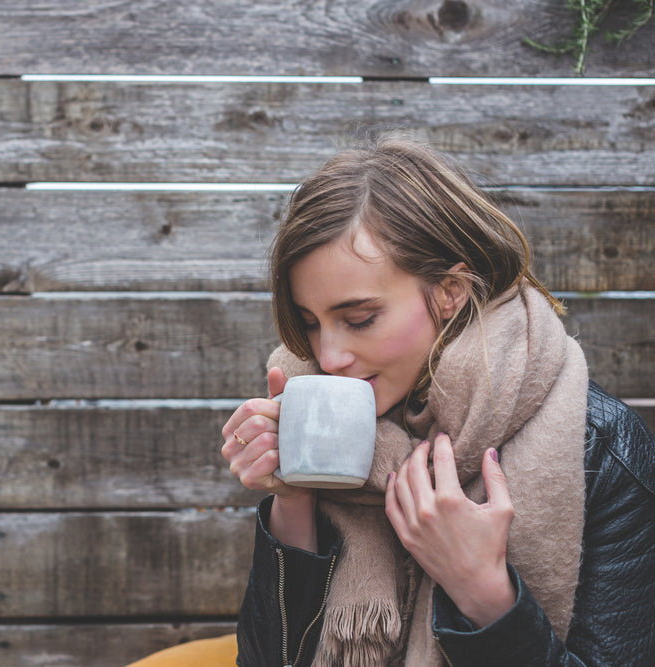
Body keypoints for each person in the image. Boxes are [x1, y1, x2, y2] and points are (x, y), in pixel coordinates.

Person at [215, 136, 655, 666]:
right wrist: (294, 500)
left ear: (450, 291)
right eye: (310, 323)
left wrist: (482, 590)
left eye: (359, 319)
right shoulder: (319, 425)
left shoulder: (602, 449)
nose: (329, 357)